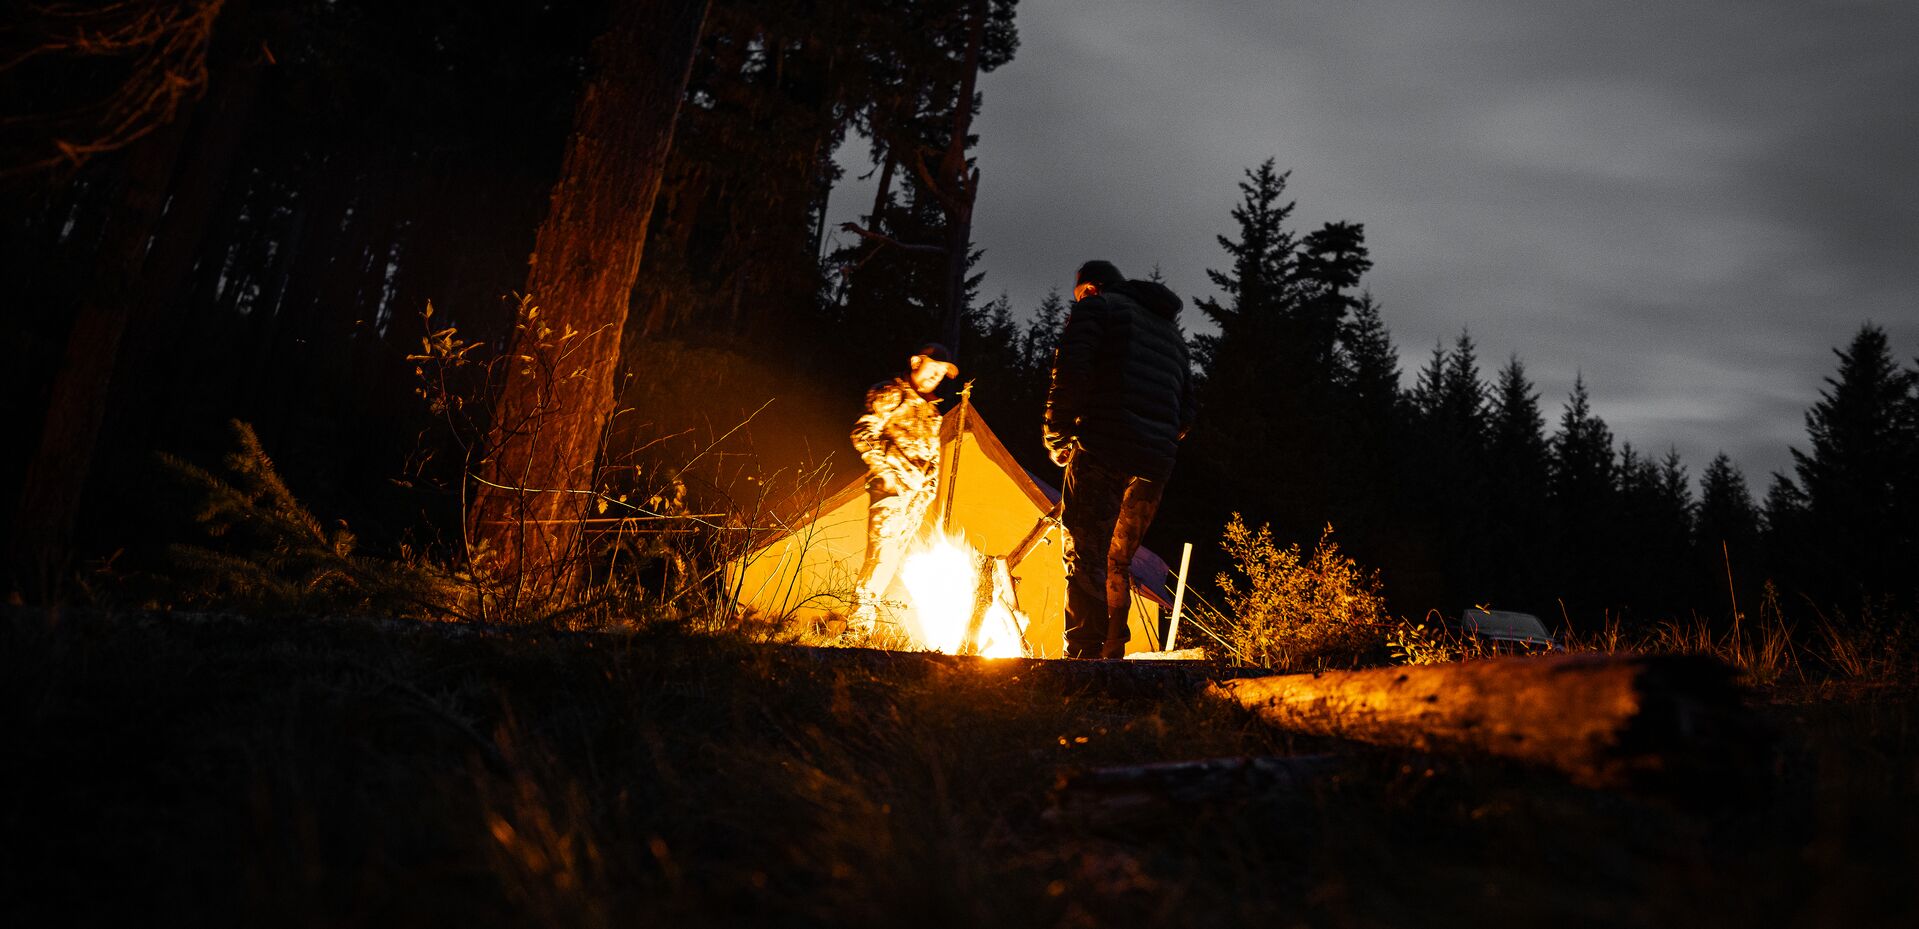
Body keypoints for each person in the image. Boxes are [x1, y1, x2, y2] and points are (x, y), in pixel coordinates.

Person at [1045, 260, 1196, 658]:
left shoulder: (1098, 308)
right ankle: (1113, 655)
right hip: (1153, 466)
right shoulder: (1173, 337)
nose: (1079, 300)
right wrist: (1153, 435)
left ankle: (1082, 659)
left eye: (1080, 294)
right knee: (1117, 561)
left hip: (1103, 449)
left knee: (1085, 552)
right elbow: (1187, 413)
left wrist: (1058, 433)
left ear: (1091, 288)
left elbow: (1071, 371)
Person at [847, 343, 959, 634]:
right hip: (891, 489)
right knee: (881, 554)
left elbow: (933, 457)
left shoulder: (932, 411)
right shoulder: (890, 393)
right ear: (915, 362)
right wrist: (886, 474)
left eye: (941, 374)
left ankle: (864, 628)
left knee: (893, 559)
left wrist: (927, 493)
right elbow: (863, 433)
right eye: (932, 369)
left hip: (915, 499)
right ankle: (856, 627)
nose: (936, 376)